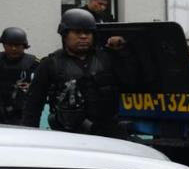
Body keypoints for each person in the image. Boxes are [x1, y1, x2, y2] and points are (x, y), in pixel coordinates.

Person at [22, 8, 137, 137]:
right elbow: (33, 105)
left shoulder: (107, 58)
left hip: (108, 133)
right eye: (77, 32)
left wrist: (123, 53)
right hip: (68, 135)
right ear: (65, 35)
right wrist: (30, 136)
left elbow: (131, 84)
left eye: (88, 33)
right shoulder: (50, 64)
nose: (83, 36)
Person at [0, 27, 39, 125]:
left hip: (22, 112)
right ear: (4, 45)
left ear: (24, 46)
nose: (14, 48)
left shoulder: (33, 63)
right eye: (10, 45)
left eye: (17, 45)